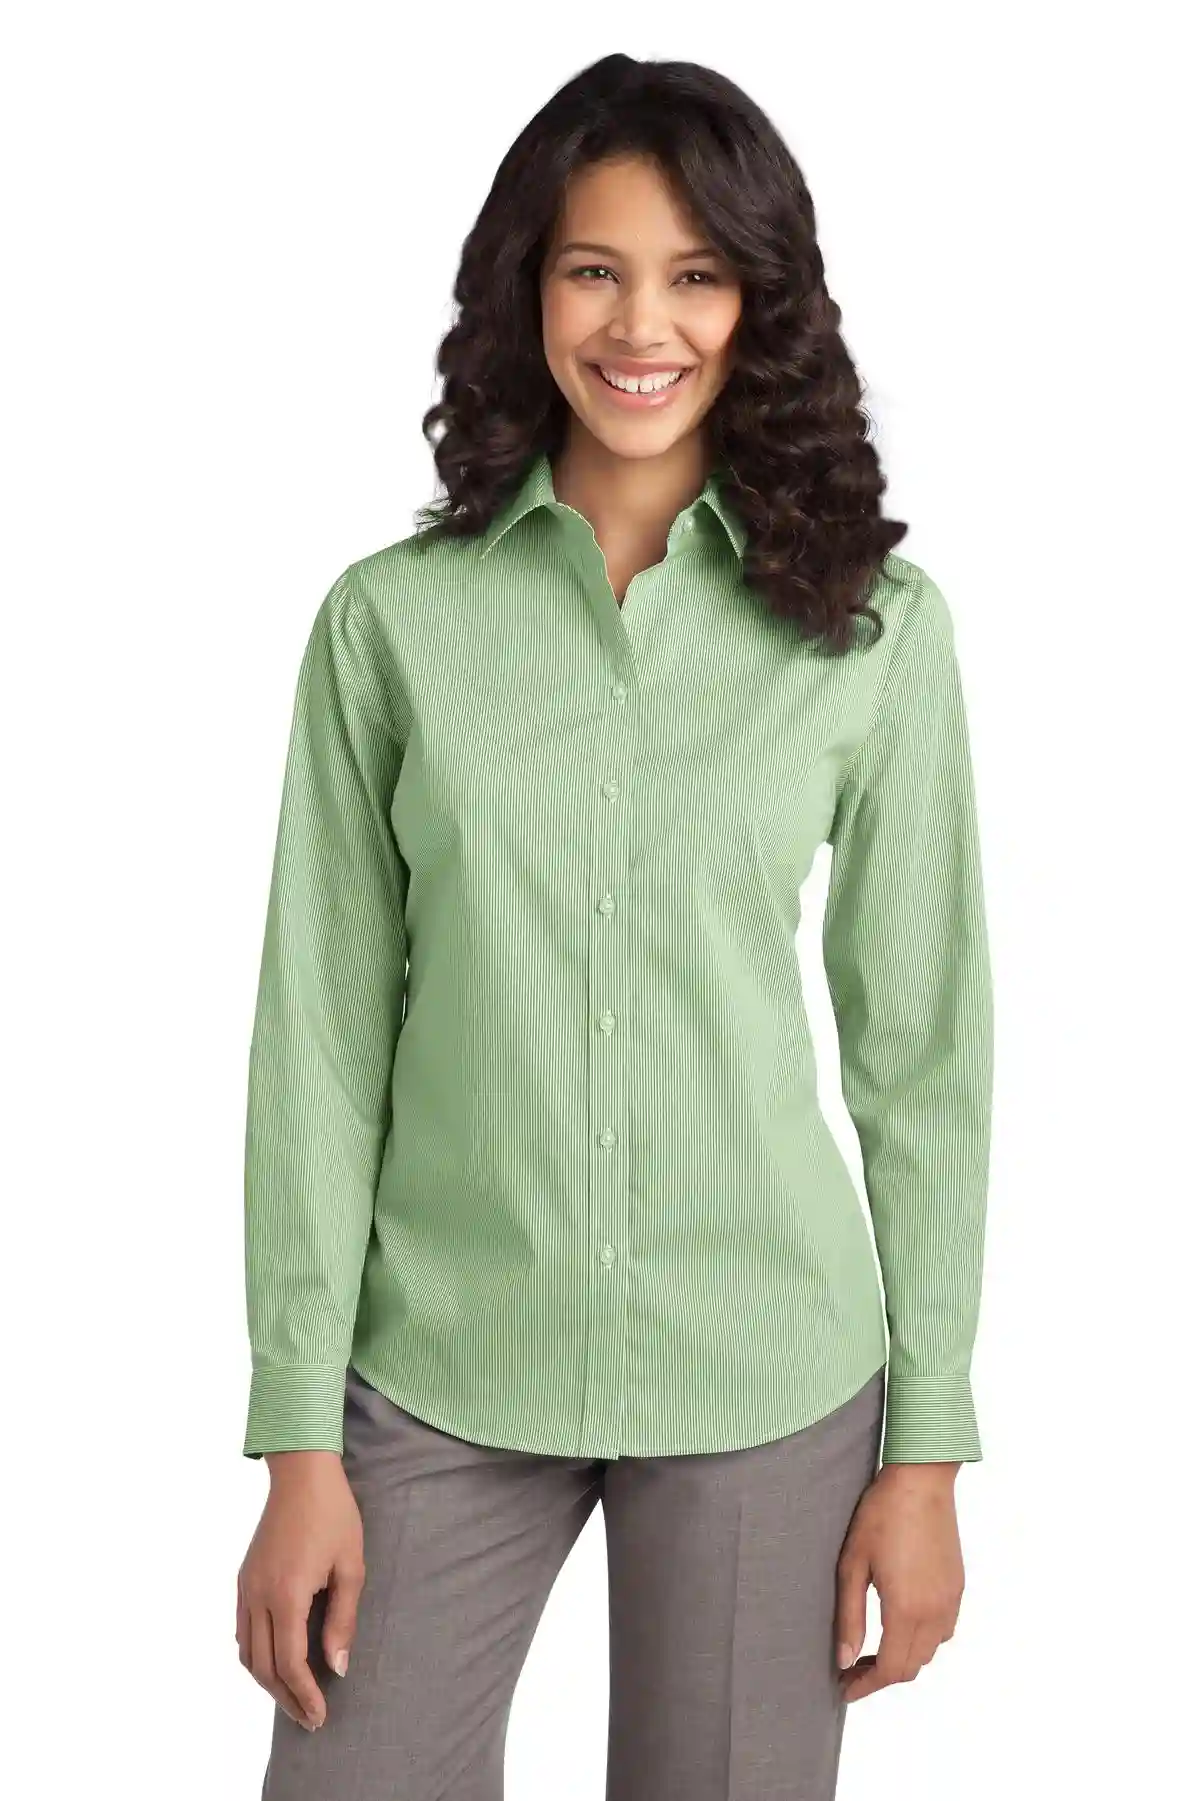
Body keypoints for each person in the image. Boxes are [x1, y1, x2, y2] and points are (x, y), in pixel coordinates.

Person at [235, 52, 994, 1801]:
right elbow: (320, 1043)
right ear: (529, 288)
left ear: (759, 305)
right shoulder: (391, 625)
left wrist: (929, 1449)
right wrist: (296, 1437)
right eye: (595, 268)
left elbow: (924, 1053)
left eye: (696, 274)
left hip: (767, 1373)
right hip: (439, 1365)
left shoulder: (876, 631)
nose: (642, 325)